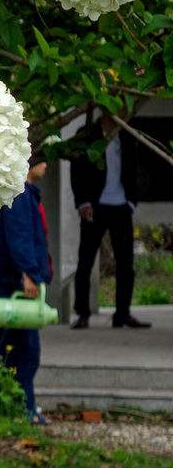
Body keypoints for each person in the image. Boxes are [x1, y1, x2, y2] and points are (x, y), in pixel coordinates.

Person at [70, 115, 150, 329]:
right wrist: (82, 202)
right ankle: (83, 313)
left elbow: (137, 168)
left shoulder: (127, 135)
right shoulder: (86, 135)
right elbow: (76, 169)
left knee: (126, 263)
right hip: (94, 206)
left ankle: (122, 314)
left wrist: (132, 201)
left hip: (121, 205)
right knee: (85, 261)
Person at [0, 151, 53, 425]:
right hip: (16, 285)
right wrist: (29, 274)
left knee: (16, 347)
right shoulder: (19, 194)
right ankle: (23, 408)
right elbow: (20, 238)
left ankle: (19, 405)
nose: (46, 166)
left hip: (15, 281)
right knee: (23, 350)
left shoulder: (23, 193)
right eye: (43, 160)